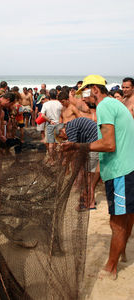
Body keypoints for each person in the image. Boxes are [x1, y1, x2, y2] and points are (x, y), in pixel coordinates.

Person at [64, 74, 134, 279]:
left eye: (84, 93)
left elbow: (109, 144)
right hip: (128, 168)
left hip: (120, 171)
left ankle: (111, 268)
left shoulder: (104, 106)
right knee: (128, 215)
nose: (82, 99)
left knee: (117, 222)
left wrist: (77, 146)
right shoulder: (116, 103)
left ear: (95, 89)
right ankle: (121, 255)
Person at [40, 88, 63, 165]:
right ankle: (59, 159)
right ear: (56, 95)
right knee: (59, 143)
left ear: (49, 95)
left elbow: (42, 115)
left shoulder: (46, 104)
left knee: (50, 143)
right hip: (59, 124)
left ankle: (52, 160)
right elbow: (62, 114)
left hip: (50, 124)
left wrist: (49, 121)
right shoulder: (60, 103)